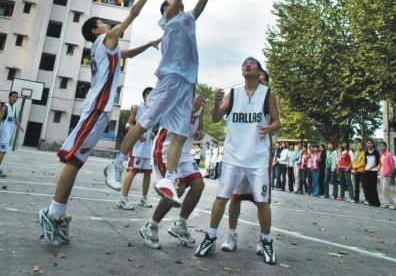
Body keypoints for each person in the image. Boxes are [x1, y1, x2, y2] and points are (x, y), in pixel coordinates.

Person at [38, 0, 166, 246]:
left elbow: (128, 53)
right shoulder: (104, 40)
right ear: (96, 31)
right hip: (96, 108)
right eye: (103, 22)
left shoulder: (108, 47)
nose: (108, 24)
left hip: (100, 110)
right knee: (73, 160)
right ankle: (53, 212)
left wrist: (151, 43)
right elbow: (132, 16)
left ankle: (58, 211)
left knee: (77, 161)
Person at [105, 0, 222, 205]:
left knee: (181, 132)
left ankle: (169, 176)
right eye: (171, 3)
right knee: (145, 122)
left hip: (186, 83)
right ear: (166, 10)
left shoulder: (189, 17)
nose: (177, 2)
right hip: (170, 78)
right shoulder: (169, 19)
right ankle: (117, 163)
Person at [195, 57, 280, 265]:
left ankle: (266, 240)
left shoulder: (268, 94)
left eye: (251, 63)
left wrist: (269, 128)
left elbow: (278, 122)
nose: (247, 65)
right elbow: (216, 118)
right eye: (244, 64)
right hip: (233, 157)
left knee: (262, 202)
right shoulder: (233, 94)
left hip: (257, 157)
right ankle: (211, 235)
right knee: (223, 197)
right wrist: (216, 102)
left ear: (259, 71)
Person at [140, 94, 205, 249]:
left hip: (185, 153)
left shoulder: (200, 102)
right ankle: (151, 226)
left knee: (198, 185)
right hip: (165, 149)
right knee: (178, 188)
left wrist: (199, 134)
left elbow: (199, 129)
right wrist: (192, 108)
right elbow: (171, 120)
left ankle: (179, 224)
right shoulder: (177, 96)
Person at [117, 87, 155, 210]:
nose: (150, 95)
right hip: (137, 147)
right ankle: (123, 198)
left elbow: (150, 127)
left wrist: (153, 133)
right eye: (148, 93)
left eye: (152, 94)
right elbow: (128, 125)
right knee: (132, 171)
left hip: (148, 148)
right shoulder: (138, 108)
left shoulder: (154, 110)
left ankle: (144, 198)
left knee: (148, 174)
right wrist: (137, 134)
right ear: (144, 96)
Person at [0, 91, 24, 176]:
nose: (15, 98)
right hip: (3, 133)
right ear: (9, 97)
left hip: (7, 133)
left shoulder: (13, 107)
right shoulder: (5, 107)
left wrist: (20, 126)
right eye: (13, 96)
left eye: (16, 97)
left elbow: (15, 119)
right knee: (3, 151)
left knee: (3, 151)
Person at [378, 141, 396, 209]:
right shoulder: (381, 154)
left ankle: (392, 203)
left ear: (386, 147)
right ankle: (386, 203)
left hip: (387, 173)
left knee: (385, 188)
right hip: (381, 172)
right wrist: (379, 170)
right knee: (382, 188)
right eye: (381, 146)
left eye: (383, 146)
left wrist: (391, 172)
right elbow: (380, 163)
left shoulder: (389, 154)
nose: (382, 147)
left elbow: (392, 164)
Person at [363, 139, 380, 207]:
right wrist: (367, 168)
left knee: (373, 186)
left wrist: (370, 168)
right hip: (367, 171)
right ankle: (370, 201)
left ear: (373, 144)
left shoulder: (376, 152)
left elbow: (377, 162)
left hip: (373, 171)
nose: (369, 144)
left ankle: (376, 202)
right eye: (368, 143)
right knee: (368, 186)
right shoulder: (366, 152)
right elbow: (366, 162)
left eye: (370, 143)